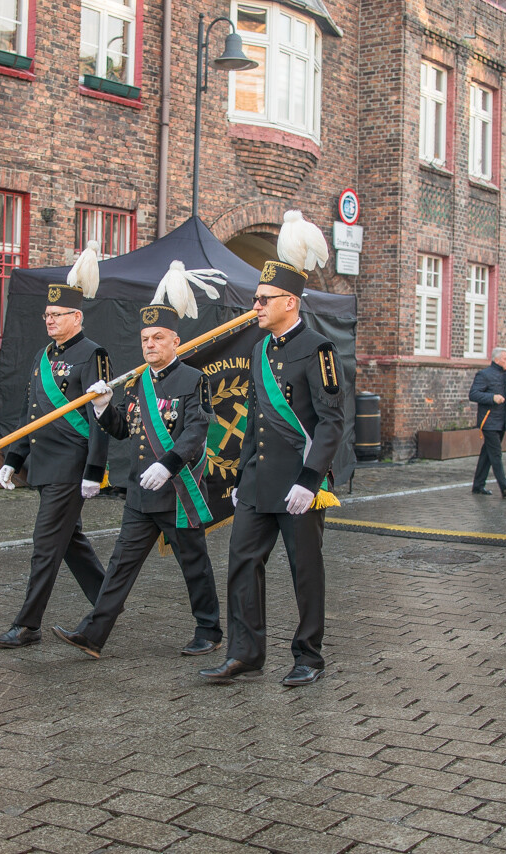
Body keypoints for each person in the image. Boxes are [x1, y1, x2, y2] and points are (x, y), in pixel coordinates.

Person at [200, 259, 345, 687]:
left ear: (290, 302)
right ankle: (245, 653)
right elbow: (254, 420)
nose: (255, 306)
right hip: (258, 482)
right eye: (255, 299)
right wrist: (241, 476)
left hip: (299, 483)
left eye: (263, 300)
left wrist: (311, 479)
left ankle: (309, 656)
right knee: (242, 563)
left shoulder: (319, 349)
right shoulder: (260, 349)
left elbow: (332, 422)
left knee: (305, 569)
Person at [52, 304, 223, 659]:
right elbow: (121, 430)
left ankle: (209, 630)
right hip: (140, 495)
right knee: (119, 566)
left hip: (177, 493)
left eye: (158, 337)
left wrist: (169, 464)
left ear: (175, 340)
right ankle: (93, 635)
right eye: (145, 339)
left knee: (194, 563)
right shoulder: (136, 382)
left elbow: (196, 430)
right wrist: (102, 407)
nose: (150, 344)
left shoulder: (194, 380)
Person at [0, 283, 111, 648]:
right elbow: (33, 416)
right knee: (70, 542)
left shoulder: (94, 355)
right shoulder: (43, 356)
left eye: (56, 315)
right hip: (44, 463)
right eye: (47, 315)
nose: (49, 321)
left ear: (76, 317)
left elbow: (99, 418)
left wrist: (94, 470)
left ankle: (28, 625)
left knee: (45, 545)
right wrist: (14, 458)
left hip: (70, 465)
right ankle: (110, 602)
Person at [469, 347, 506, 497]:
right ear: (496, 360)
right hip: (488, 421)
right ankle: (504, 486)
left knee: (487, 453)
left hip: (502, 421)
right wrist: (492, 398)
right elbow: (474, 394)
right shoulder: (484, 375)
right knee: (495, 454)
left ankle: (478, 485)